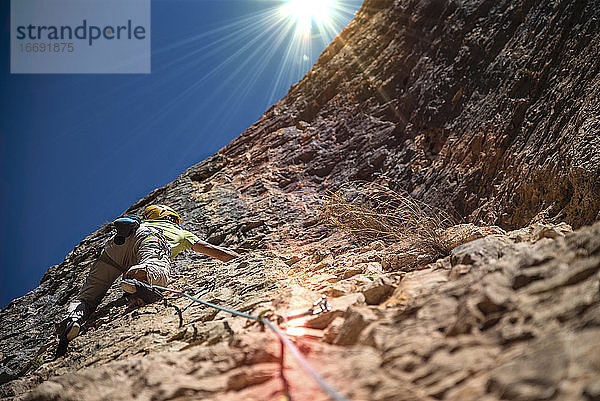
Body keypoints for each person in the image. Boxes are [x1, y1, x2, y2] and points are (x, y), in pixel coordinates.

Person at [56, 204, 239, 344]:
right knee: (155, 262)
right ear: (171, 218)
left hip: (113, 246)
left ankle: (73, 319)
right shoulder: (178, 231)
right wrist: (242, 257)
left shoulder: (142, 221)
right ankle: (140, 278)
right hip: (148, 236)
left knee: (87, 296)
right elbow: (217, 252)